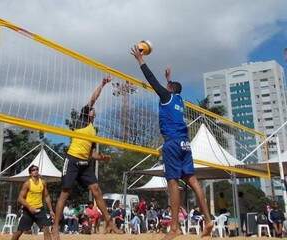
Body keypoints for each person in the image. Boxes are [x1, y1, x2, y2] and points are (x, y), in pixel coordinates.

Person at [131, 46, 213, 239]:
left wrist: (140, 60)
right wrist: (170, 79)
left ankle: (174, 228)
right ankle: (208, 220)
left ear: (169, 90)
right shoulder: (179, 100)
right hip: (185, 144)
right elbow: (172, 89)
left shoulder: (167, 96)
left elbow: (152, 81)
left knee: (172, 183)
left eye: (168, 87)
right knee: (193, 180)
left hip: (173, 144)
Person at [51, 76, 122, 239]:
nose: (93, 110)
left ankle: (109, 223)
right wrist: (102, 85)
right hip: (73, 160)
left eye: (93, 110)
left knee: (96, 190)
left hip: (85, 163)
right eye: (91, 109)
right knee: (65, 192)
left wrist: (102, 158)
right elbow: (93, 98)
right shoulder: (82, 119)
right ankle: (55, 227)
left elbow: (92, 153)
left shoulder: (93, 131)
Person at [12, 165, 54, 240]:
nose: (35, 171)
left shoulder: (43, 182)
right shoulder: (27, 183)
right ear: (30, 173)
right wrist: (29, 207)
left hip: (40, 210)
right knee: (20, 231)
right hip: (28, 210)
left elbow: (47, 196)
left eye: (36, 169)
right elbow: (20, 198)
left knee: (46, 229)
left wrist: (51, 210)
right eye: (33, 170)